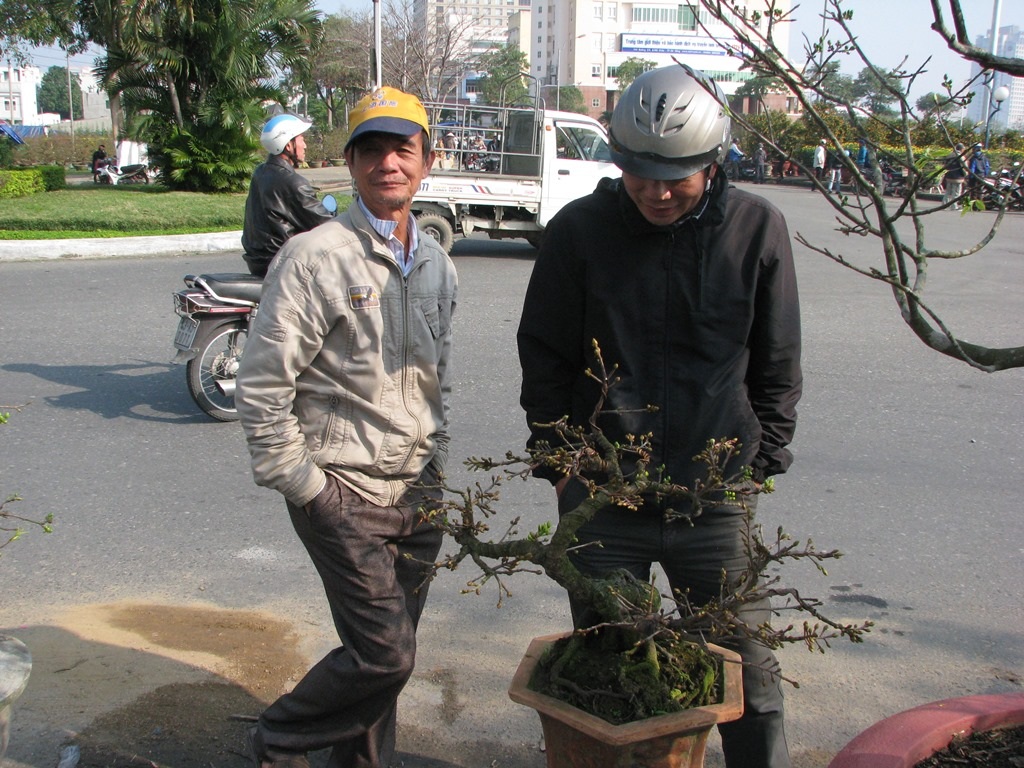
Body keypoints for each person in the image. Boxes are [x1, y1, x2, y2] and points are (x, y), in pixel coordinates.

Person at [517, 64, 802, 768]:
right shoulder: (579, 231)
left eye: (677, 173)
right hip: (605, 503)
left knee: (752, 682)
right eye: (642, 172)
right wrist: (561, 467)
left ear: (714, 161)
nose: (658, 190)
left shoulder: (755, 229)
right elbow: (544, 355)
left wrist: (759, 463)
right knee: (614, 682)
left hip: (713, 504)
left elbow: (777, 360)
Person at [235, 86, 458, 768]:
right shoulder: (316, 256)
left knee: (379, 665)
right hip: (343, 491)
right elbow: (262, 383)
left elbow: (434, 379)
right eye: (371, 149)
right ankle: (277, 741)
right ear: (351, 162)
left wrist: (437, 471)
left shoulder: (438, 265)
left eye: (403, 148)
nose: (387, 162)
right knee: (385, 653)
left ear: (427, 160)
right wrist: (306, 486)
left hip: (416, 492)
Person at [241, 113, 336, 277]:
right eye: (301, 139)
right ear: (288, 145)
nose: (305, 145)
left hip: (259, 263)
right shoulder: (293, 182)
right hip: (284, 264)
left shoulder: (261, 172)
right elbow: (326, 225)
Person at [942, 142, 967, 210]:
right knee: (956, 193)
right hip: (958, 177)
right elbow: (964, 167)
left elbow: (945, 166)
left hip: (949, 176)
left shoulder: (949, 156)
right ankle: (954, 206)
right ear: (961, 149)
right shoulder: (961, 156)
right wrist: (966, 175)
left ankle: (944, 205)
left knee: (948, 192)